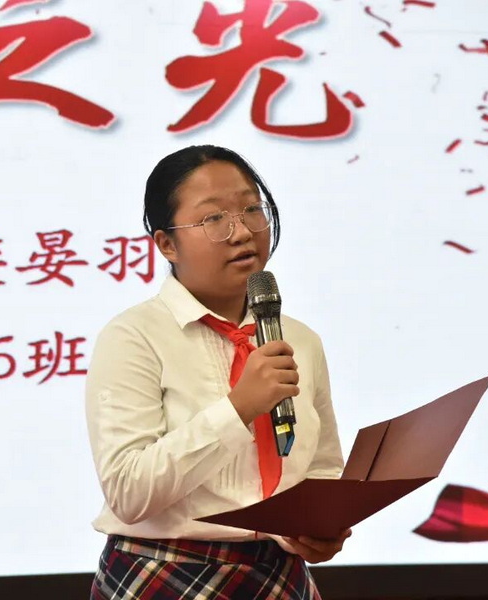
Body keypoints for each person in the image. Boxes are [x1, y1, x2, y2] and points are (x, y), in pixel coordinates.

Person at [85, 145, 350, 599]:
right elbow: (128, 493)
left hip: (278, 576)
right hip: (162, 571)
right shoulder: (133, 336)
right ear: (167, 244)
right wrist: (238, 408)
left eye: (252, 210)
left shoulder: (299, 339)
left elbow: (322, 468)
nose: (242, 232)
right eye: (213, 219)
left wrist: (320, 529)